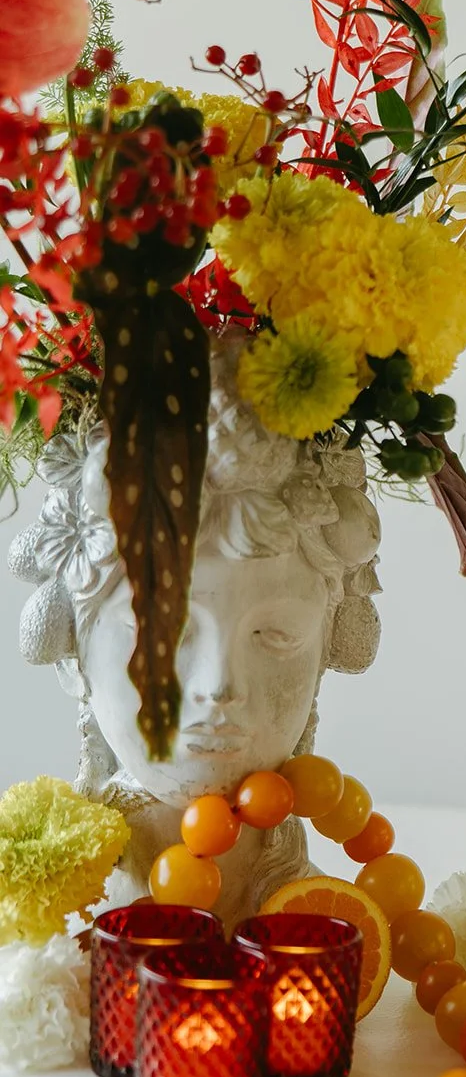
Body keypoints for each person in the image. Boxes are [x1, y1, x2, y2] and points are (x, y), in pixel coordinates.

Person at [21, 336, 383, 928]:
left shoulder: (323, 943)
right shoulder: (40, 956)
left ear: (330, 645)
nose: (219, 687)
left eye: (275, 636)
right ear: (73, 653)